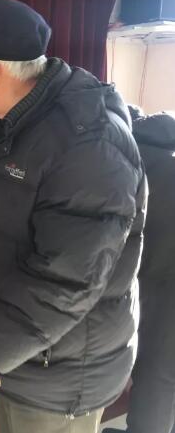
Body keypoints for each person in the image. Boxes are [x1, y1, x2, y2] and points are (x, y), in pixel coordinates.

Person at [0, 0, 146, 433]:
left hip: (62, 373)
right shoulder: (15, 121)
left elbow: (67, 277)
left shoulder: (87, 142)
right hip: (28, 354)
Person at [103, 108, 175, 433]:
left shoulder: (125, 162)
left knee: (156, 377)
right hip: (164, 286)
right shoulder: (169, 160)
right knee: (163, 377)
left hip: (148, 287)